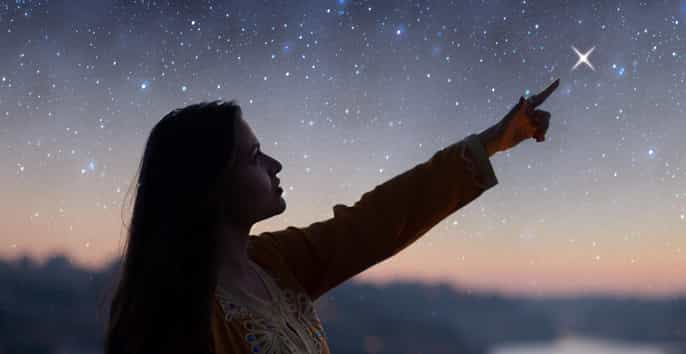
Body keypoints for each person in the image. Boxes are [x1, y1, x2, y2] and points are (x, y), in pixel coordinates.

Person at [103, 79, 559, 354]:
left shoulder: (273, 262)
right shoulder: (169, 317)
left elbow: (377, 222)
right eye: (255, 156)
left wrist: (493, 142)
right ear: (209, 184)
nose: (274, 166)